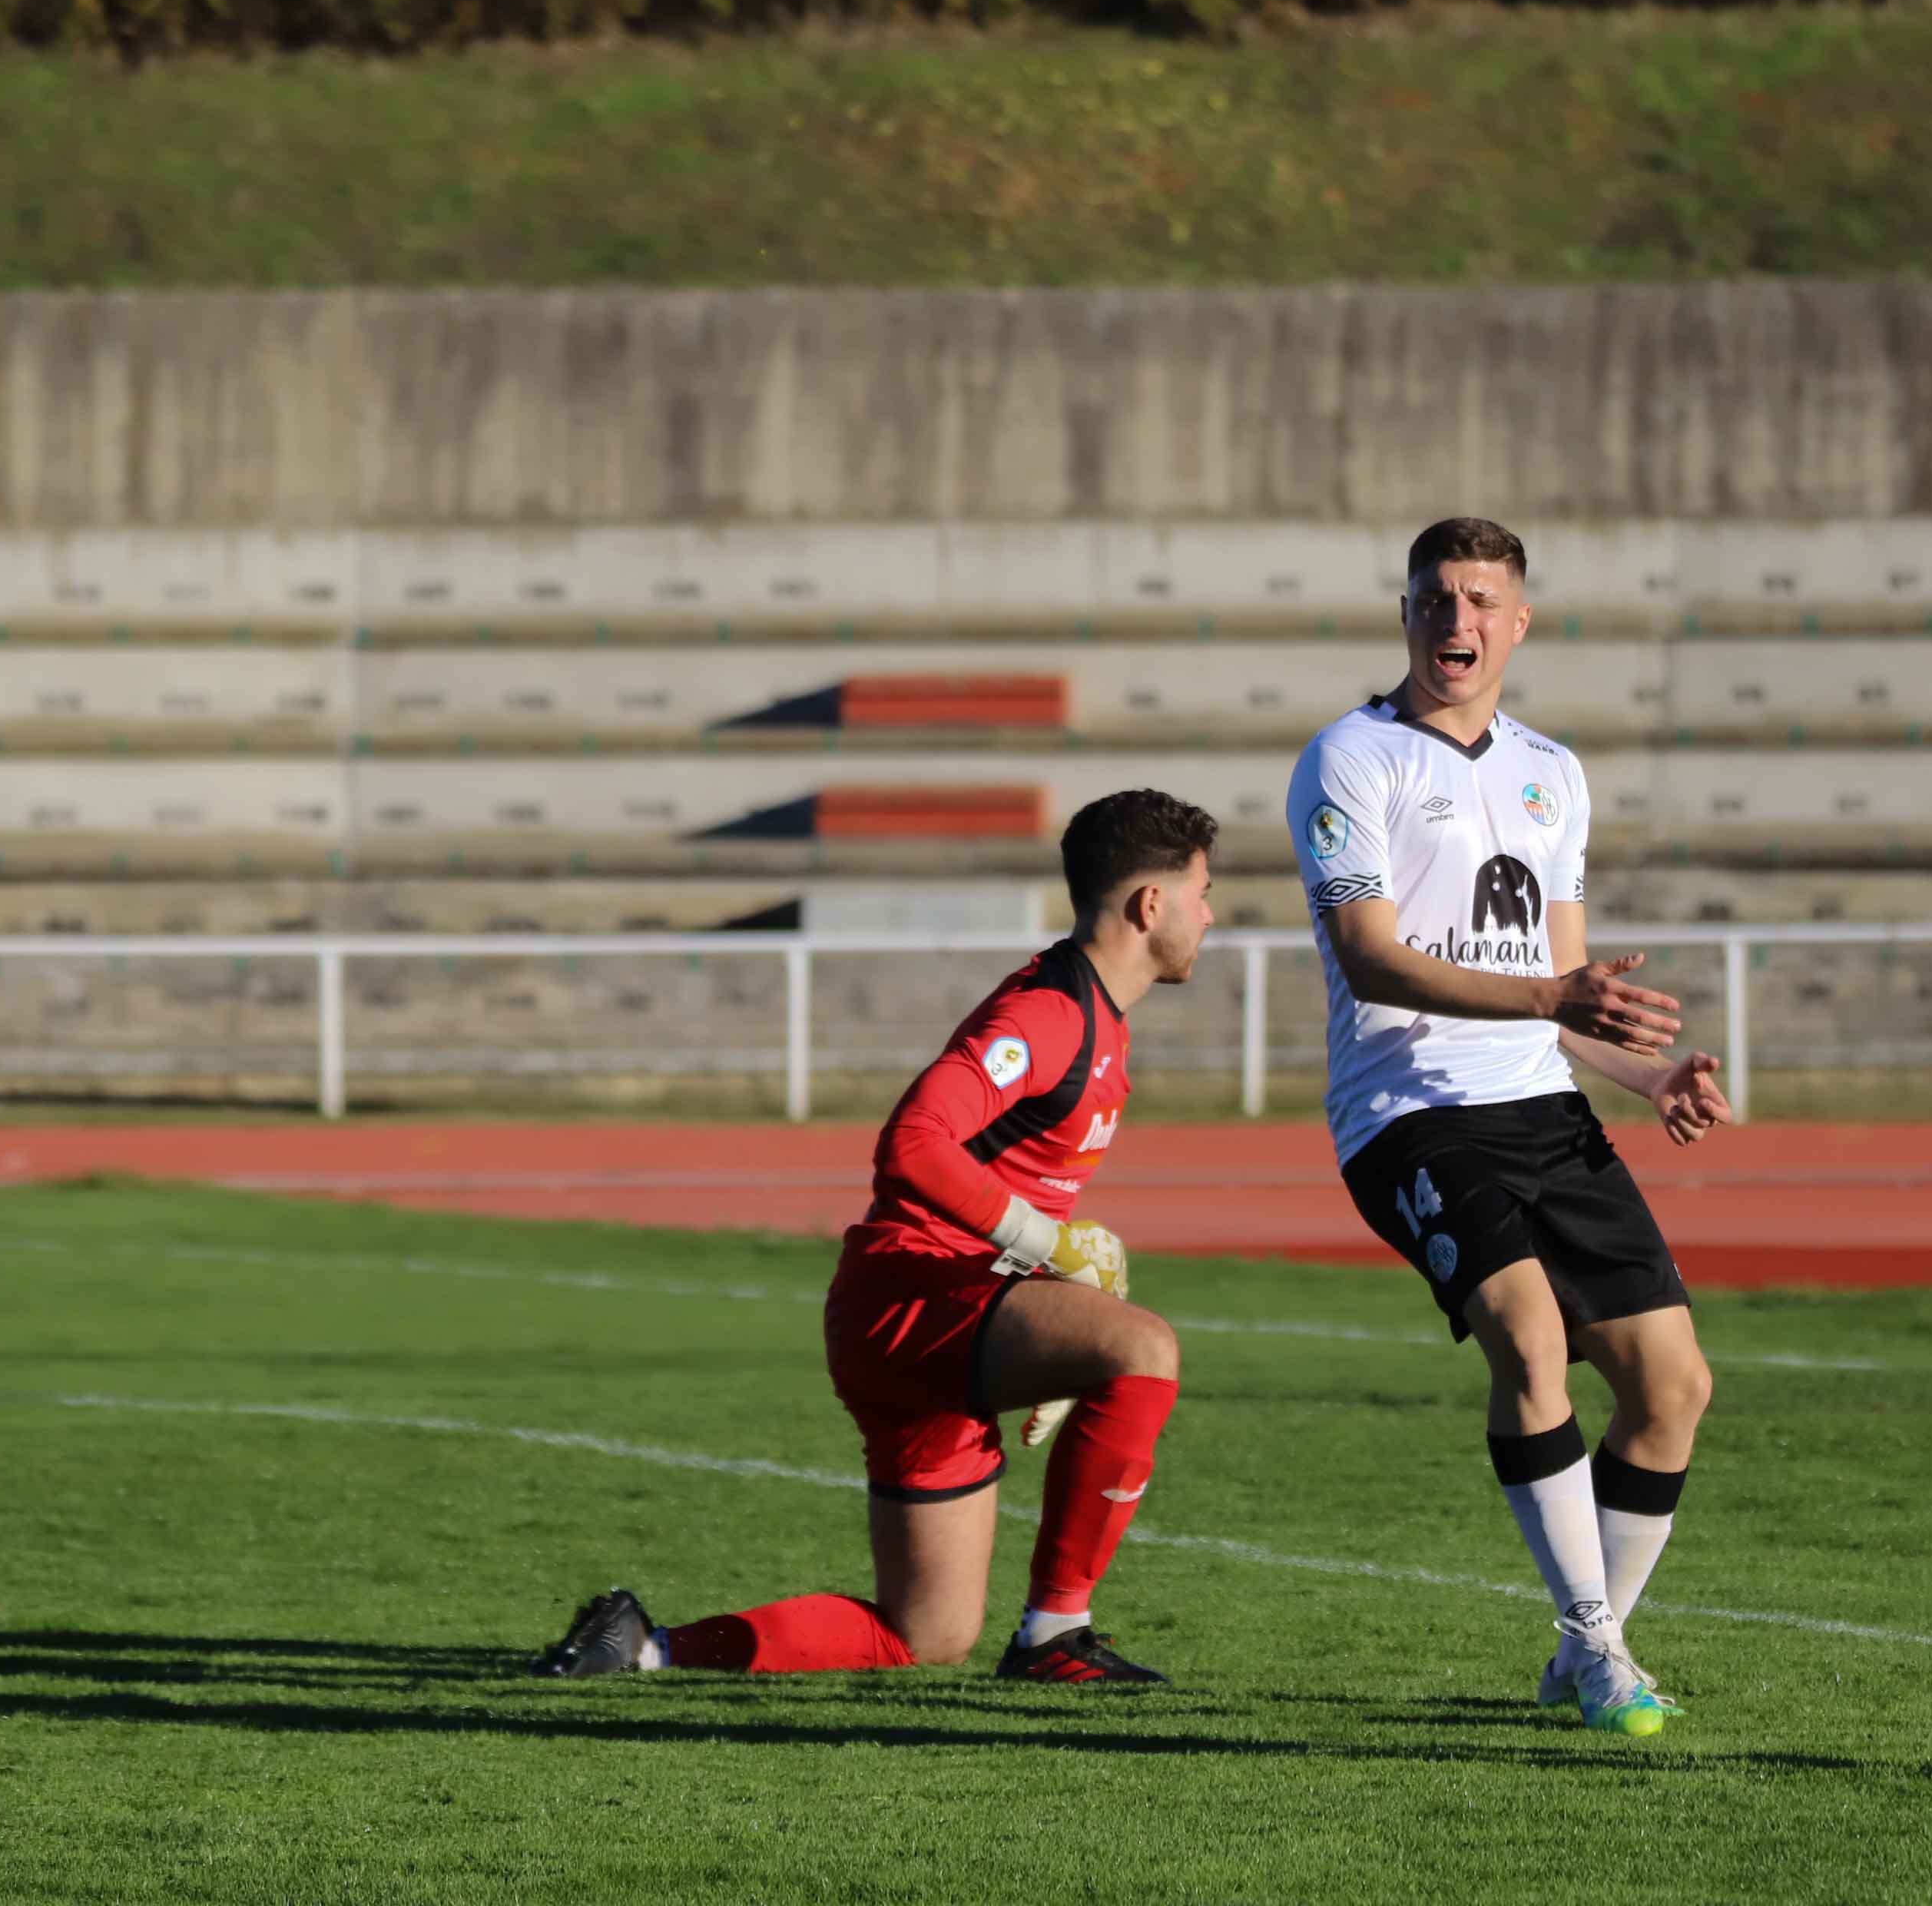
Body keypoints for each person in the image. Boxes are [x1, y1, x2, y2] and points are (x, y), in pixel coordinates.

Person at [533, 789, 1219, 1686]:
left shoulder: (1097, 1019)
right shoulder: (1047, 1014)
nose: (1211, 914)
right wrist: (1053, 1254)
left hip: (926, 1313)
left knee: (926, 1631)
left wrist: (1065, 1306)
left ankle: (645, 1644)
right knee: (1146, 1350)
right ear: (1150, 903)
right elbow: (914, 1142)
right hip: (915, 1294)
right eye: (1203, 891)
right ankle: (1055, 1632)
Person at [1286, 515, 1737, 1740]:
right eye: (1437, 598)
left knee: (1674, 1386)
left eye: (1482, 601)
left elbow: (1565, 988)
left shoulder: (1554, 772)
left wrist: (1644, 1074)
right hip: (1409, 1112)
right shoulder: (1350, 758)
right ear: (1407, 616)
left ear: (1519, 623)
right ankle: (1598, 1647)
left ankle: (1587, 1648)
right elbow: (1371, 958)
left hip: (1541, 1104)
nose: (1459, 621)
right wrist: (1548, 999)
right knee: (1530, 1342)